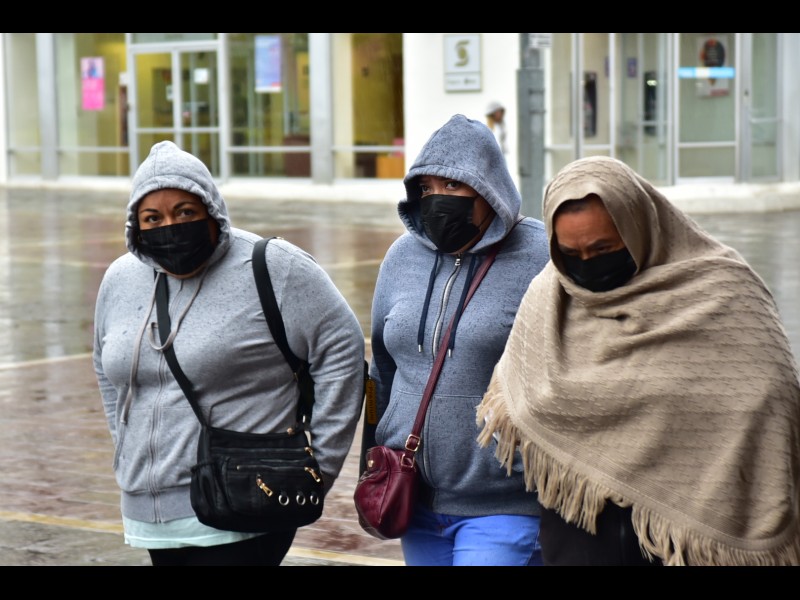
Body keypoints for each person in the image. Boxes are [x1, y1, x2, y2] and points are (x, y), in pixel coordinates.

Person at [477, 155, 800, 566]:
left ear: (637, 227)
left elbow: (769, 403)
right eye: (571, 253)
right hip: (580, 526)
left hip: (687, 542)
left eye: (603, 249)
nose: (587, 263)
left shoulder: (725, 291)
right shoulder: (550, 295)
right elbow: (523, 402)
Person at [93, 140, 366, 566]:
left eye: (185, 212)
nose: (170, 226)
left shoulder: (273, 266)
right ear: (135, 224)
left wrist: (320, 465)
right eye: (153, 218)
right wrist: (127, 448)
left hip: (246, 504)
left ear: (212, 209)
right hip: (151, 513)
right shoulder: (120, 279)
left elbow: (342, 349)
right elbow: (105, 366)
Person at [367, 114, 550, 566]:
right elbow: (382, 371)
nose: (436, 200)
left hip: (506, 501)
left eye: (451, 185)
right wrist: (372, 461)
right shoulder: (401, 257)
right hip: (417, 496)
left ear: (488, 187)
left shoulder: (540, 255)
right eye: (426, 188)